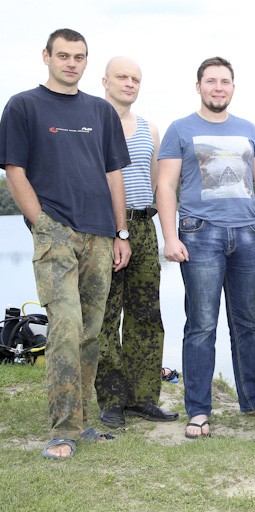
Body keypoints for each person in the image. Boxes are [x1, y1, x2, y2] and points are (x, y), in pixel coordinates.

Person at [157, 56, 255, 439]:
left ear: (233, 87)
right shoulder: (180, 129)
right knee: (201, 325)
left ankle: (252, 399)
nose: (218, 87)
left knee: (248, 322)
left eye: (225, 81)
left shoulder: (246, 128)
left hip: (247, 233)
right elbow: (166, 186)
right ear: (199, 86)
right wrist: (170, 236)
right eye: (211, 81)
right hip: (200, 234)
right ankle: (198, 410)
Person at [0, 28, 131, 459]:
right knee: (66, 326)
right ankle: (62, 429)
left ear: (86, 62)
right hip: (56, 232)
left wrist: (120, 231)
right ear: (46, 57)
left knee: (92, 331)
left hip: (99, 234)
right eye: (63, 55)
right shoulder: (23, 106)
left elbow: (115, 175)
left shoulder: (102, 111)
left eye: (79, 57)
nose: (71, 63)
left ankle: (83, 421)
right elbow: (14, 171)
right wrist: (42, 224)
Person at [94, 57, 178, 428]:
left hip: (144, 227)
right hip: (106, 228)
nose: (129, 83)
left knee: (146, 314)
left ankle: (144, 397)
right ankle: (112, 399)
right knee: (107, 316)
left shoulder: (149, 129)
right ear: (105, 81)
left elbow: (159, 183)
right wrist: (115, 229)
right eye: (122, 77)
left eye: (136, 79)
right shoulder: (92, 123)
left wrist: (166, 232)